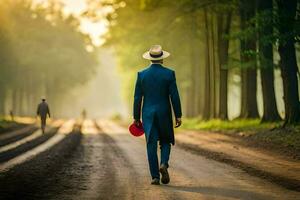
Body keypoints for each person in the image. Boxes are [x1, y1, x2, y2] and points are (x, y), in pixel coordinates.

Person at [133, 45, 182, 185]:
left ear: (150, 58)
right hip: (164, 113)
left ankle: (155, 176)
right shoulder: (169, 74)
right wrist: (178, 114)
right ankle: (164, 164)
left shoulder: (141, 75)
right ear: (162, 59)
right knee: (166, 141)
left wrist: (136, 117)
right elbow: (175, 96)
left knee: (151, 144)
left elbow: (137, 98)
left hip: (148, 115)